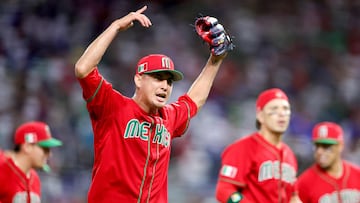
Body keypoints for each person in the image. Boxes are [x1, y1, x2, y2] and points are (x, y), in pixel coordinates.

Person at [74, 5, 230, 203]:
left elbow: (193, 101)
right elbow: (83, 69)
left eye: (169, 81)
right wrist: (115, 27)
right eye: (157, 78)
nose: (164, 86)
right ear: (139, 80)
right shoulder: (113, 106)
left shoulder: (169, 117)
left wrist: (215, 61)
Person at [215, 88, 301, 203]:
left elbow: (293, 197)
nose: (281, 114)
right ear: (260, 116)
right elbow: (224, 190)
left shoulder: (289, 154)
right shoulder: (243, 148)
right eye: (274, 109)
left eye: (285, 109)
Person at [296, 121, 360, 203]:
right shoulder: (304, 183)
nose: (319, 151)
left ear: (340, 146)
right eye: (317, 146)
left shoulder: (357, 174)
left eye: (326, 146)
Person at [0, 121, 63, 203]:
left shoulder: (35, 179)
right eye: (45, 149)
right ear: (27, 147)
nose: (49, 154)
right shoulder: (3, 171)